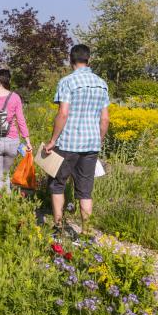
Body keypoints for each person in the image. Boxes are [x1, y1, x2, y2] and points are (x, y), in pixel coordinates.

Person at [44, 44, 110, 238]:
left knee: (57, 184)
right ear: (89, 59)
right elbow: (105, 119)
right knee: (85, 191)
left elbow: (63, 113)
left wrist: (52, 140)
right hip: (91, 144)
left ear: (70, 59)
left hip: (67, 143)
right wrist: (99, 140)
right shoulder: (102, 83)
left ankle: (58, 228)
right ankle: (87, 233)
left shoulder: (67, 82)